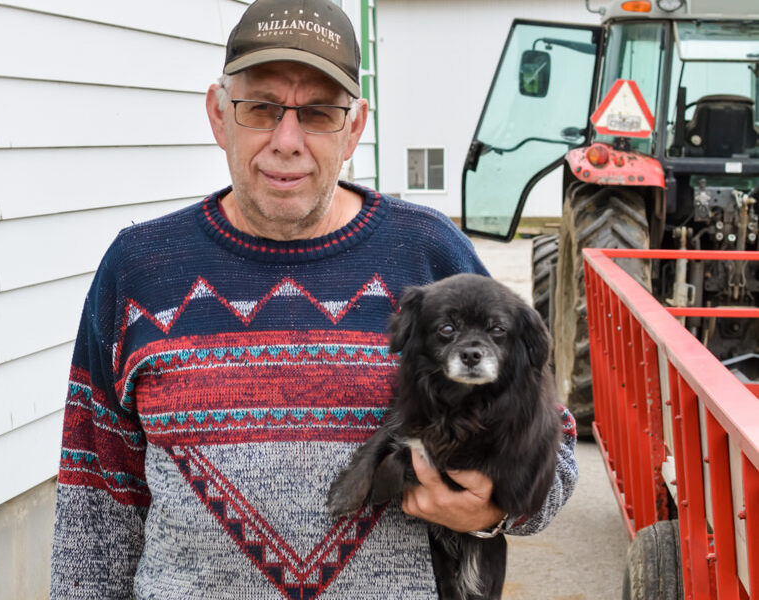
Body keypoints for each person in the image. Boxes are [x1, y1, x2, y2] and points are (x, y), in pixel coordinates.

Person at [49, 0, 577, 597]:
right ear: (219, 115)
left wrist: (495, 514)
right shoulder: (140, 268)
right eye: (261, 107)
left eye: (319, 112)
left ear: (354, 127)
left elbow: (555, 450)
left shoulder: (432, 258)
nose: (287, 140)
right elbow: (96, 503)